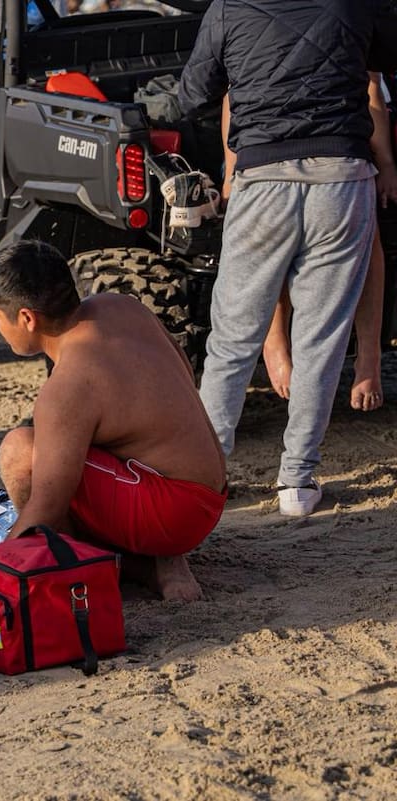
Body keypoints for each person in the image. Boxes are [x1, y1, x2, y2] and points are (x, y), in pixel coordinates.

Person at [178, 0, 380, 517]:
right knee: (323, 335)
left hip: (263, 178)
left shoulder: (227, 8)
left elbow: (194, 94)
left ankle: (205, 475)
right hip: (342, 177)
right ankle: (298, 482)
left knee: (233, 339)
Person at [0, 242, 227, 602]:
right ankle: (158, 560)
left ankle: (94, 564)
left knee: (19, 450)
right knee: (79, 438)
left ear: (27, 318)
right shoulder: (120, 306)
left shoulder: (68, 387)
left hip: (175, 512)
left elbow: (46, 509)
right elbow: (183, 371)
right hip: (209, 489)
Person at [251, 73, 397, 413]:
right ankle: (276, 344)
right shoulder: (257, 22)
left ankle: (369, 358)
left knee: (367, 234)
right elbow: (231, 93)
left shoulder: (355, 19)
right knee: (278, 235)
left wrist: (386, 163)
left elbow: (371, 86)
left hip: (342, 140)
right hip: (269, 137)